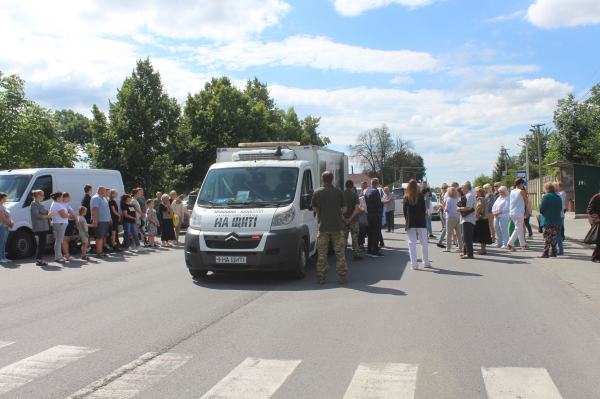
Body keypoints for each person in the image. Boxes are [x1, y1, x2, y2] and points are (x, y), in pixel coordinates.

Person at [311, 171, 348, 284]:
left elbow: (315, 209)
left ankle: (321, 277)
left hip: (323, 227)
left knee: (322, 253)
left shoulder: (317, 192)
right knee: (340, 253)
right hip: (337, 226)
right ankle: (342, 277)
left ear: (322, 179)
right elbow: (345, 209)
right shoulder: (338, 192)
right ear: (332, 180)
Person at [403, 180, 430, 269]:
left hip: (411, 221)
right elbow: (423, 209)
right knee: (424, 242)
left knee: (412, 243)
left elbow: (404, 212)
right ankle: (426, 262)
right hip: (421, 221)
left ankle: (414, 264)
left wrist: (406, 221)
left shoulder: (406, 197)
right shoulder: (421, 196)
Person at [537, 182, 563, 258]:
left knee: (547, 236)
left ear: (547, 189)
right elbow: (560, 208)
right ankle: (553, 251)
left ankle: (545, 252)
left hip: (548, 220)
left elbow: (542, 209)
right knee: (554, 236)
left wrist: (540, 205)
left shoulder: (546, 196)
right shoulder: (558, 196)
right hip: (557, 219)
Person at [30, 190, 52, 266]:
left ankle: (39, 258)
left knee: (43, 243)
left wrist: (48, 213)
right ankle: (39, 259)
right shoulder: (34, 204)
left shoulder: (41, 204)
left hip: (44, 226)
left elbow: (45, 211)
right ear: (38, 195)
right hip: (39, 226)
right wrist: (47, 216)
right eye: (42, 195)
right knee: (42, 243)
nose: (43, 196)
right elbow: (37, 215)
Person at [506, 178, 529, 251]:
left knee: (520, 228)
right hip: (519, 212)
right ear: (521, 184)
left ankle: (523, 244)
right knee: (518, 228)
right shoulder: (522, 191)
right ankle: (510, 243)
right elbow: (526, 201)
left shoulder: (512, 191)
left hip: (512, 212)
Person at [364, 178, 385, 257]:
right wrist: (382, 203)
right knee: (376, 233)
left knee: (370, 233)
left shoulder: (367, 191)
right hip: (376, 214)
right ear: (378, 183)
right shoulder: (375, 191)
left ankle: (369, 250)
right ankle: (375, 251)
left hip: (370, 214)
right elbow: (378, 203)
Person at [90, 186, 112, 258]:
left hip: (105, 221)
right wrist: (95, 220)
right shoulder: (96, 198)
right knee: (99, 237)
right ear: (102, 191)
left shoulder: (104, 199)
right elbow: (94, 209)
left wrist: (109, 218)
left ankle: (101, 251)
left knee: (103, 237)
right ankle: (99, 252)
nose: (107, 192)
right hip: (100, 221)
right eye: (106, 191)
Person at [343, 180, 362, 261]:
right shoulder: (355, 195)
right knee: (354, 237)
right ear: (352, 186)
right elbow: (356, 209)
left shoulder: (342, 195)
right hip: (353, 219)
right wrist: (350, 219)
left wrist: (344, 218)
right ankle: (356, 254)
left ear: (345, 185)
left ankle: (342, 255)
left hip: (343, 220)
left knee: (344, 238)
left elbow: (340, 208)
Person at [457, 181, 476, 259]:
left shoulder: (470, 195)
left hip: (469, 218)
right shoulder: (467, 195)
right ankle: (465, 251)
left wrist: (459, 208)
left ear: (467, 188)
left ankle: (470, 253)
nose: (462, 190)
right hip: (465, 219)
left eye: (463, 188)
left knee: (467, 236)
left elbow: (469, 208)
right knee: (464, 236)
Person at [50, 192, 69, 262]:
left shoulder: (55, 204)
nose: (62, 198)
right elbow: (64, 215)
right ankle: (58, 256)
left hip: (59, 223)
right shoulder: (57, 205)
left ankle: (59, 255)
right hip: (60, 223)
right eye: (61, 197)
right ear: (58, 198)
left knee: (59, 240)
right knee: (59, 240)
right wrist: (68, 215)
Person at [473, 187, 493, 254]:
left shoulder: (480, 199)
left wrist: (477, 214)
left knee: (481, 234)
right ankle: (483, 249)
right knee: (484, 234)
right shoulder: (485, 198)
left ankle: (482, 249)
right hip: (485, 218)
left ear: (480, 193)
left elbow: (479, 207)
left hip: (480, 219)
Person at [443, 186, 462, 252]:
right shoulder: (458, 199)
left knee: (449, 232)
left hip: (451, 215)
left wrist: (443, 207)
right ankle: (460, 246)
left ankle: (448, 247)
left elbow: (447, 209)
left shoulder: (449, 199)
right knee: (458, 232)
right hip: (458, 215)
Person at [61, 193, 78, 261]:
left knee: (66, 239)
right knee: (66, 239)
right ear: (65, 197)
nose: (70, 198)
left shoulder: (65, 204)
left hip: (69, 222)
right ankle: (66, 255)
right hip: (68, 222)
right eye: (69, 197)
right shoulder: (64, 204)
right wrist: (76, 219)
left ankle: (66, 254)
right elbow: (70, 214)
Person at [0, 192, 14, 263]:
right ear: (1, 198)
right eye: (5, 197)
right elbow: (3, 218)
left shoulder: (4, 206)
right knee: (1, 242)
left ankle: (4, 257)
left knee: (4, 242)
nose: (6, 199)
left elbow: (9, 216)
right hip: (1, 226)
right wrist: (9, 223)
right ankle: (0, 258)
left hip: (6, 226)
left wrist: (11, 222)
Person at [587, 187, 600, 263]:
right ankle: (595, 257)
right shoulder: (596, 198)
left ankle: (596, 257)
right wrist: (596, 218)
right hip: (596, 221)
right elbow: (590, 209)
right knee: (598, 240)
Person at [81, 184, 93, 254]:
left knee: (88, 234)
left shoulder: (84, 197)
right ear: (90, 190)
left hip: (86, 217)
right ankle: (88, 248)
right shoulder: (88, 198)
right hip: (88, 217)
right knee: (88, 234)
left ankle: (88, 248)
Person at [556, 182, 566, 255]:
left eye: (559, 187)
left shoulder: (561, 193)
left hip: (560, 213)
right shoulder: (559, 194)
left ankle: (562, 236)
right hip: (560, 213)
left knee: (559, 228)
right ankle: (559, 248)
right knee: (559, 229)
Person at [357, 181, 368, 249]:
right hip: (363, 216)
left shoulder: (369, 198)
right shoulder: (360, 199)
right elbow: (359, 206)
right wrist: (362, 209)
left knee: (369, 231)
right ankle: (361, 243)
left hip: (369, 216)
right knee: (361, 230)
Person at [437, 183, 448, 248]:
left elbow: (443, 204)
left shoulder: (447, 194)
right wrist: (440, 206)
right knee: (445, 227)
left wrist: (441, 206)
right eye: (442, 188)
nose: (443, 189)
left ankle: (442, 240)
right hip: (442, 211)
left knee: (445, 227)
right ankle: (440, 241)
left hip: (443, 210)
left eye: (445, 188)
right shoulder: (441, 194)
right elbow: (440, 202)